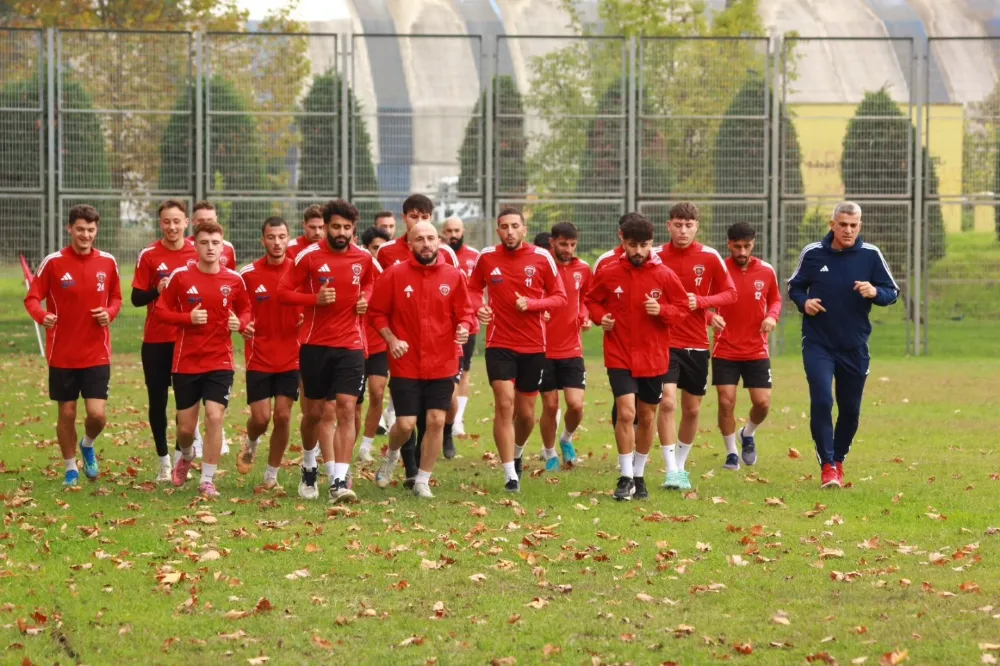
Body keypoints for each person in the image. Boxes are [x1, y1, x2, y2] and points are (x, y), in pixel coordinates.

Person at [788, 201, 899, 489]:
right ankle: (827, 465)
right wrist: (804, 302)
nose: (848, 230)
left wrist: (875, 291)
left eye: (853, 225)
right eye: (843, 225)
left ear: (859, 226)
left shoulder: (870, 255)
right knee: (823, 400)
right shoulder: (813, 254)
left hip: (855, 346)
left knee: (850, 411)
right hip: (818, 344)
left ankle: (838, 459)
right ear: (832, 225)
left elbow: (892, 292)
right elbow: (794, 287)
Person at [584, 213, 688, 500]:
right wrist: (600, 317)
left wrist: (663, 311)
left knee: (646, 415)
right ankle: (625, 476)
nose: (638, 251)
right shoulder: (608, 271)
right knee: (626, 412)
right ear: (623, 242)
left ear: (651, 244)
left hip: (654, 357)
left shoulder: (664, 275)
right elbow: (591, 299)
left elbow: (682, 309)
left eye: (643, 245)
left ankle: (639, 476)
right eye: (633, 245)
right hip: (619, 354)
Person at [278, 199, 375, 503]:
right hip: (315, 345)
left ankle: (338, 481)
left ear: (353, 229)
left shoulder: (364, 258)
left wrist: (365, 299)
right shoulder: (308, 257)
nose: (341, 232)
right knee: (314, 414)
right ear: (327, 227)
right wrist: (313, 299)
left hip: (351, 345)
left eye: (347, 228)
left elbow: (372, 285)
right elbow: (282, 293)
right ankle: (308, 465)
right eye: (336, 227)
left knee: (346, 407)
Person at [371, 222, 474, 497]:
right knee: (405, 424)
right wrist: (391, 339)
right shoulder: (394, 275)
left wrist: (464, 326)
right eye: (420, 239)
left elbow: (466, 312)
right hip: (406, 362)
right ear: (410, 244)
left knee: (437, 421)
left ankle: (422, 480)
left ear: (438, 241)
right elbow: (376, 313)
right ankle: (391, 455)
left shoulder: (453, 276)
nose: (426, 244)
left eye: (431, 238)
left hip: (443, 361)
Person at [468, 207, 567, 492]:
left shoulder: (541, 257)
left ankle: (519, 452)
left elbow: (559, 297)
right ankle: (510, 473)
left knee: (526, 414)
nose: (509, 232)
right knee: (504, 402)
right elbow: (472, 290)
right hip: (499, 343)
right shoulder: (487, 257)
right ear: (498, 230)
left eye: (514, 226)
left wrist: (533, 304)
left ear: (524, 229)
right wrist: (480, 307)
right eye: (504, 227)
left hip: (534, 344)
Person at [25, 204, 122, 486]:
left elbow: (116, 298)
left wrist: (110, 313)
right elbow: (32, 298)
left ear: (96, 230)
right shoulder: (53, 262)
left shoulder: (108, 262)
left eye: (91, 230)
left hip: (97, 352)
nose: (85, 234)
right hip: (62, 354)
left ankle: (88, 444)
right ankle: (70, 468)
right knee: (67, 412)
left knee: (97, 414)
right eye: (80, 229)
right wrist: (43, 316)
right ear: (70, 229)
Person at [155, 220, 251, 498]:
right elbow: (161, 311)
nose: (210, 248)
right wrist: (187, 318)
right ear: (194, 245)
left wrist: (239, 322)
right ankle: (186, 455)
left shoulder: (234, 280)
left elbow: (246, 311)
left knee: (214, 416)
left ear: (223, 246)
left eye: (215, 243)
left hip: (220, 361)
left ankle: (207, 480)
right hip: (186, 361)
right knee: (186, 428)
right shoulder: (180, 278)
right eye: (205, 242)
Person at [655, 202, 736, 491]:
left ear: (696, 226)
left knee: (691, 410)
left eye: (688, 225)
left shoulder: (710, 257)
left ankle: (681, 463)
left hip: (697, 344)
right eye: (678, 224)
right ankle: (671, 469)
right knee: (667, 402)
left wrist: (702, 304)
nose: (683, 230)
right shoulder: (655, 257)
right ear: (669, 226)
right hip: (664, 341)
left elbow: (730, 294)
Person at [132, 200, 198, 482]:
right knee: (157, 401)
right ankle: (163, 461)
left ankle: (182, 456)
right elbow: (136, 298)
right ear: (160, 224)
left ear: (186, 222)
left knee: (186, 404)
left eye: (177, 221)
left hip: (188, 341)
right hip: (157, 341)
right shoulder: (149, 255)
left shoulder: (197, 253)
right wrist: (156, 291)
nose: (172, 227)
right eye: (166, 222)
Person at [236, 217, 301, 489]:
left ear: (289, 238)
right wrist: (243, 323)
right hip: (259, 356)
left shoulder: (300, 270)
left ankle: (271, 475)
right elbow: (239, 306)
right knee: (261, 419)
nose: (277, 242)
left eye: (282, 236)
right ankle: (251, 441)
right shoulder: (248, 274)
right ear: (262, 240)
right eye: (271, 237)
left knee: (284, 416)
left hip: (291, 356)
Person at [711, 222, 781, 471]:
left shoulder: (766, 270)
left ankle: (747, 434)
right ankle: (731, 452)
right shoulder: (717, 270)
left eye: (747, 246)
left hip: (756, 348)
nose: (742, 251)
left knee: (762, 403)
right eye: (737, 246)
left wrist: (772, 316)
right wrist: (710, 317)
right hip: (725, 348)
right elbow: (700, 300)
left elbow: (775, 299)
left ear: (753, 244)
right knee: (726, 400)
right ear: (728, 243)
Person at [538, 222, 590, 470]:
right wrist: (540, 312)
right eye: (563, 244)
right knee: (550, 405)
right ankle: (550, 454)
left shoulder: (583, 269)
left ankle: (566, 439)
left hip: (572, 349)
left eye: (572, 244)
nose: (568, 249)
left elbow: (587, 299)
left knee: (576, 405)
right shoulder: (541, 268)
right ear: (552, 242)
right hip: (543, 348)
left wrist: (584, 314)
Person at [441, 216, 482, 439]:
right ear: (443, 231)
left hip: (468, 325)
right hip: (441, 326)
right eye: (449, 230)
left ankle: (457, 420)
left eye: (457, 230)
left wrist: (481, 308)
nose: (453, 235)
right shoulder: (436, 254)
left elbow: (478, 289)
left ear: (463, 231)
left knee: (463, 371)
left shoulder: (474, 257)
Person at [357, 226, 393, 463]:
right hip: (355, 343)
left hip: (378, 343)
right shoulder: (356, 268)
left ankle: (366, 446)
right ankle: (345, 440)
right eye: (374, 248)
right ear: (365, 247)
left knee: (378, 392)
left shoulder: (388, 274)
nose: (377, 253)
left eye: (382, 249)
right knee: (352, 401)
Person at [188, 201, 237, 268]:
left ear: (216, 219)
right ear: (193, 221)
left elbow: (230, 275)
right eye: (201, 221)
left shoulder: (228, 247)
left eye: (210, 220)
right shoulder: (183, 246)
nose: (205, 224)